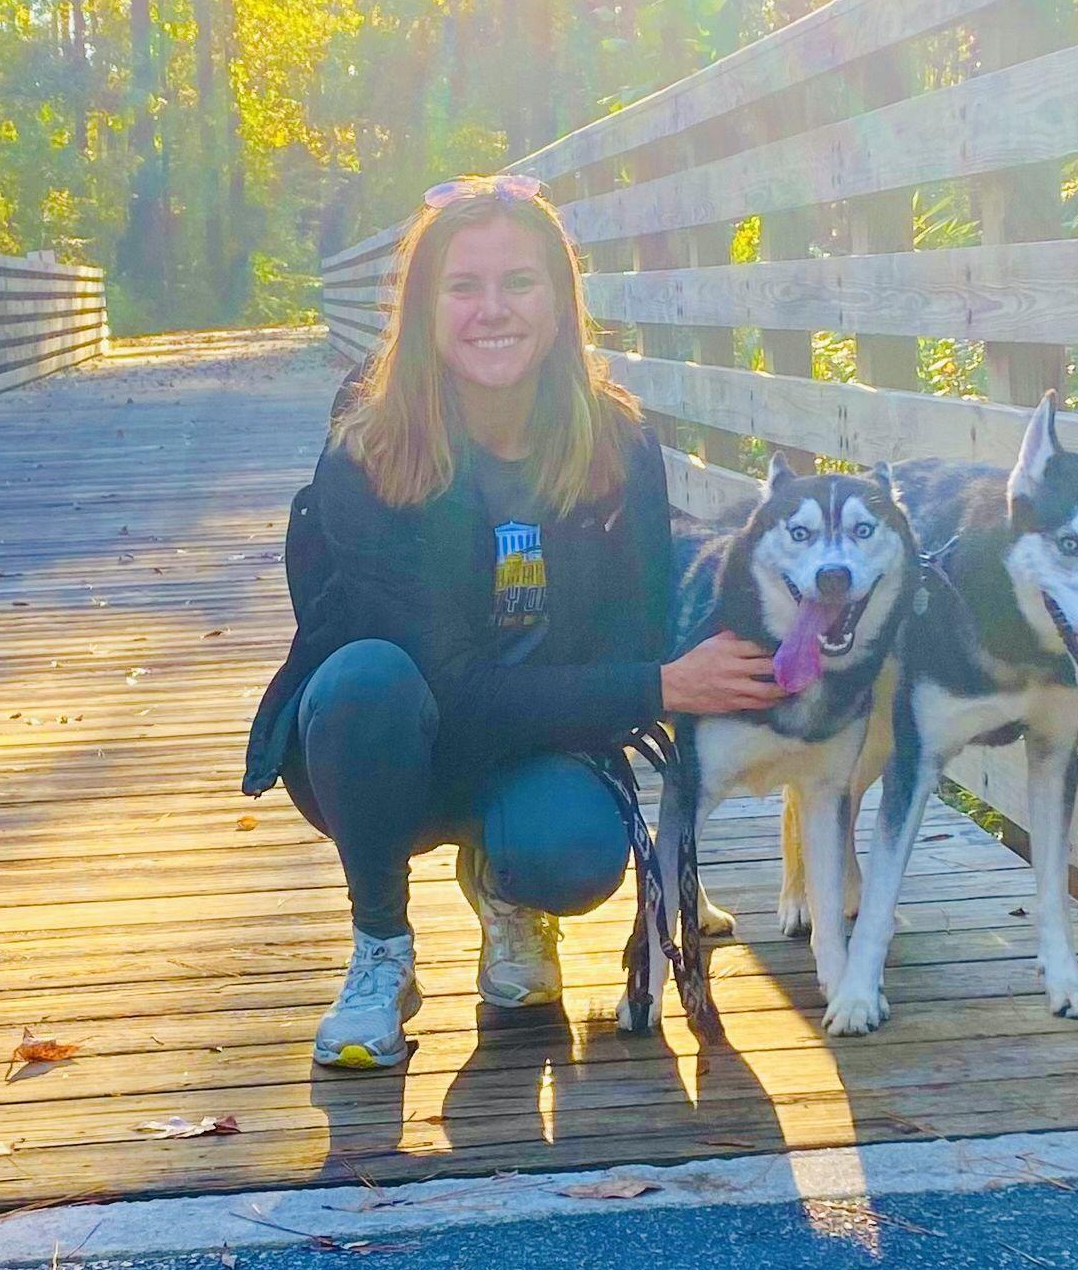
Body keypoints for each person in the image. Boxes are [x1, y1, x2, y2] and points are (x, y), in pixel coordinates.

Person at [241, 176, 783, 1068]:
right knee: (362, 678)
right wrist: (657, 687)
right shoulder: (367, 448)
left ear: (561, 301)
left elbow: (635, 626)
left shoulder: (618, 444)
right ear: (422, 309)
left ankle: (509, 891)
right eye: (463, 287)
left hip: (541, 744)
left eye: (519, 283)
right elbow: (446, 681)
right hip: (388, 746)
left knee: (575, 854)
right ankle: (381, 948)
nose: (493, 311)